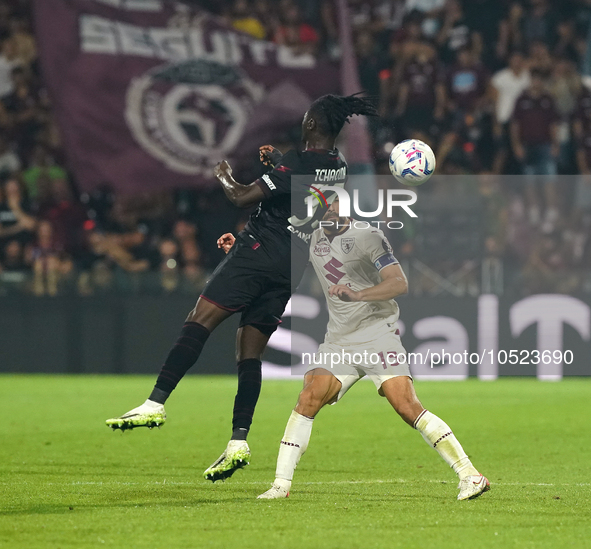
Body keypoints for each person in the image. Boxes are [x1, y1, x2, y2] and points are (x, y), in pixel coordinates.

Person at [105, 94, 378, 483]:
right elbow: (303, 191)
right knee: (249, 353)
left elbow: (239, 195)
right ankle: (238, 441)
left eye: (306, 119)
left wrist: (221, 173)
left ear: (313, 126)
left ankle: (155, 403)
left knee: (199, 320)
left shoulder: (297, 163)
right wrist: (278, 165)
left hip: (257, 251)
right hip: (289, 265)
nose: (302, 123)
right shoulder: (338, 166)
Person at [218, 197, 487, 501]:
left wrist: (358, 294)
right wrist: (241, 251)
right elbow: (277, 259)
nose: (328, 213)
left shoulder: (367, 237)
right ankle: (281, 485)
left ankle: (470, 475)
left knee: (407, 406)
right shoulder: (313, 237)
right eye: (323, 209)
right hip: (340, 341)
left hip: (377, 336)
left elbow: (399, 283)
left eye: (333, 207)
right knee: (308, 398)